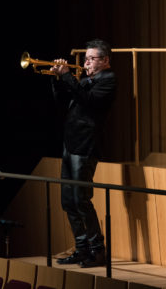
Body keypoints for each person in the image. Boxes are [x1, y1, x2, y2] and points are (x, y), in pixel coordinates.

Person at [50, 39, 116, 267]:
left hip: (86, 147)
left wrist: (69, 76)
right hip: (70, 145)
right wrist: (59, 79)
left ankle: (98, 251)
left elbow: (87, 101)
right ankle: (81, 248)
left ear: (105, 60)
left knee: (81, 199)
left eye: (91, 58)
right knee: (68, 201)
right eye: (85, 58)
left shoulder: (108, 81)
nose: (86, 62)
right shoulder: (85, 79)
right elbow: (62, 102)